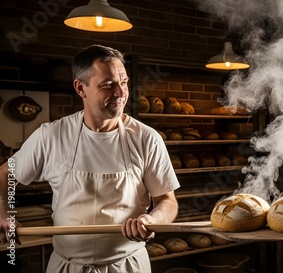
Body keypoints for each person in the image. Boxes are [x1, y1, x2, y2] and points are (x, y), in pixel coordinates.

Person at [0, 44, 180, 273]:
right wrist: (4, 213)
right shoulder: (51, 136)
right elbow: (6, 173)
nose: (121, 93)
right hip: (67, 266)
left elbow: (167, 201)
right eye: (108, 85)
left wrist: (152, 220)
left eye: (123, 82)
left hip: (127, 266)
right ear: (80, 88)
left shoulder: (146, 138)